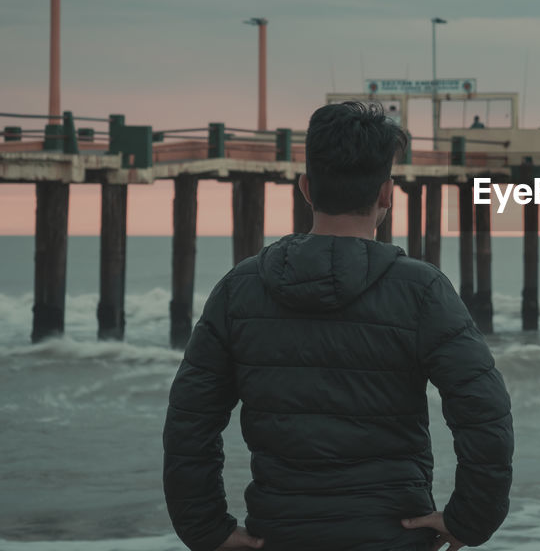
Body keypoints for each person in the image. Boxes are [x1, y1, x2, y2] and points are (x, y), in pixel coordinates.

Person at [163, 101, 513, 551]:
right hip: (393, 536)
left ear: (306, 188)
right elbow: (484, 412)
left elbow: (190, 421)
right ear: (387, 193)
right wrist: (470, 519)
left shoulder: (241, 289)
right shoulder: (421, 291)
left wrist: (206, 528)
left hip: (279, 536)